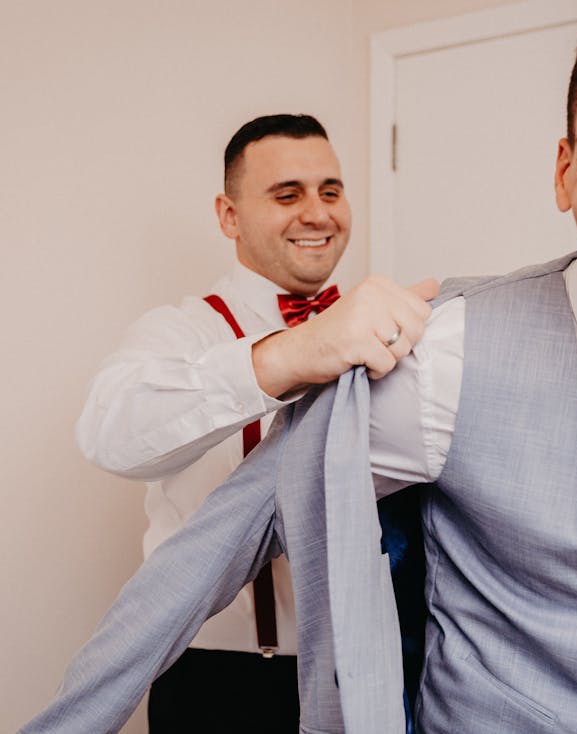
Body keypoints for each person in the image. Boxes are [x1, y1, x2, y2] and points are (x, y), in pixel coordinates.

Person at [23, 0, 577, 733]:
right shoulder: (436, 356)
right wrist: (289, 356)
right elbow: (179, 503)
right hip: (222, 668)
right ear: (564, 172)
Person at [75, 113, 435, 732]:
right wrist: (289, 354)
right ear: (228, 215)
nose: (317, 214)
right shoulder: (183, 331)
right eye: (286, 194)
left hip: (367, 675)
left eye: (330, 190)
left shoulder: (390, 326)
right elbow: (109, 434)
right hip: (219, 682)